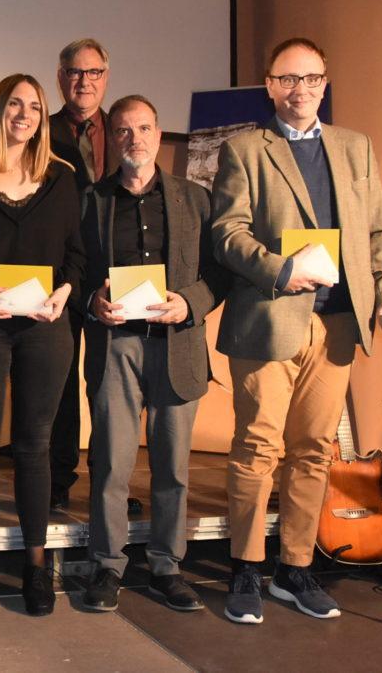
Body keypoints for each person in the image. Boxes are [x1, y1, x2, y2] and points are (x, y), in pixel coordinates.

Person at [211, 37, 382, 624]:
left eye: (312, 79)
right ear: (270, 86)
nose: (302, 90)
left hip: (339, 321)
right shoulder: (245, 149)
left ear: (326, 84)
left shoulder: (356, 147)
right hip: (270, 319)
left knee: (313, 452)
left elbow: (379, 232)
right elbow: (227, 232)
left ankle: (294, 568)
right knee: (256, 448)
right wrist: (282, 268)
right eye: (288, 79)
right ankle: (246, 567)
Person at [79, 95, 229, 614]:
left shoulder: (196, 199)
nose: (135, 139)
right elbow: (74, 274)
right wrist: (91, 302)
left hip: (177, 346)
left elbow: (220, 272)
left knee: (173, 467)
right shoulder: (91, 200)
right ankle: (106, 565)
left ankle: (167, 565)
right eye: (123, 131)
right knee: (111, 465)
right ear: (112, 138)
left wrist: (189, 303)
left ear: (159, 134)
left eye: (144, 128)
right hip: (116, 346)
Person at [0, 74, 84, 619]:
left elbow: (77, 254)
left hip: (45, 325)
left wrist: (66, 294)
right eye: (15, 105)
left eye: (35, 106)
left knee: (35, 445)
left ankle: (34, 565)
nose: (24, 114)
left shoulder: (62, 178)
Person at [47, 38, 111, 512]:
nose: (83, 81)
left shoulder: (124, 128)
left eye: (92, 72)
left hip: (118, 276)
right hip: (63, 271)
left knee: (113, 383)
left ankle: (110, 482)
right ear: (60, 77)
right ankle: (58, 480)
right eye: (74, 72)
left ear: (105, 76)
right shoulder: (40, 133)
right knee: (62, 381)